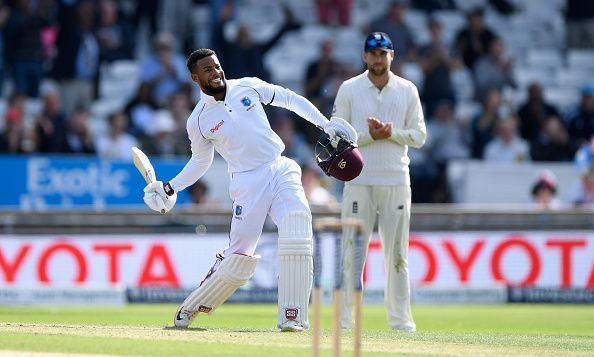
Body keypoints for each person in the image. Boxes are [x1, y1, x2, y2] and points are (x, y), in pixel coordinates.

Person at [141, 48, 357, 332]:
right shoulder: (198, 121)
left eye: (217, 66)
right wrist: (171, 187)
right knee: (238, 259)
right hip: (246, 183)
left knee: (297, 227)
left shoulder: (248, 86)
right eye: (207, 70)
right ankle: (192, 306)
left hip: (279, 167)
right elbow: (200, 161)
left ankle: (292, 316)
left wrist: (325, 125)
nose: (215, 72)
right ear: (195, 77)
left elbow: (288, 99)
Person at [332, 32, 426, 332]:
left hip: (396, 180)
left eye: (383, 53)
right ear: (364, 56)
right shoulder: (349, 89)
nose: (377, 58)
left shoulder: (407, 90)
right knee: (352, 253)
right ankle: (346, 322)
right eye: (372, 53)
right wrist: (370, 136)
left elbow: (420, 136)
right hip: (359, 182)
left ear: (391, 56)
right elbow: (336, 138)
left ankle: (401, 321)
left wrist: (391, 133)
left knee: (397, 253)